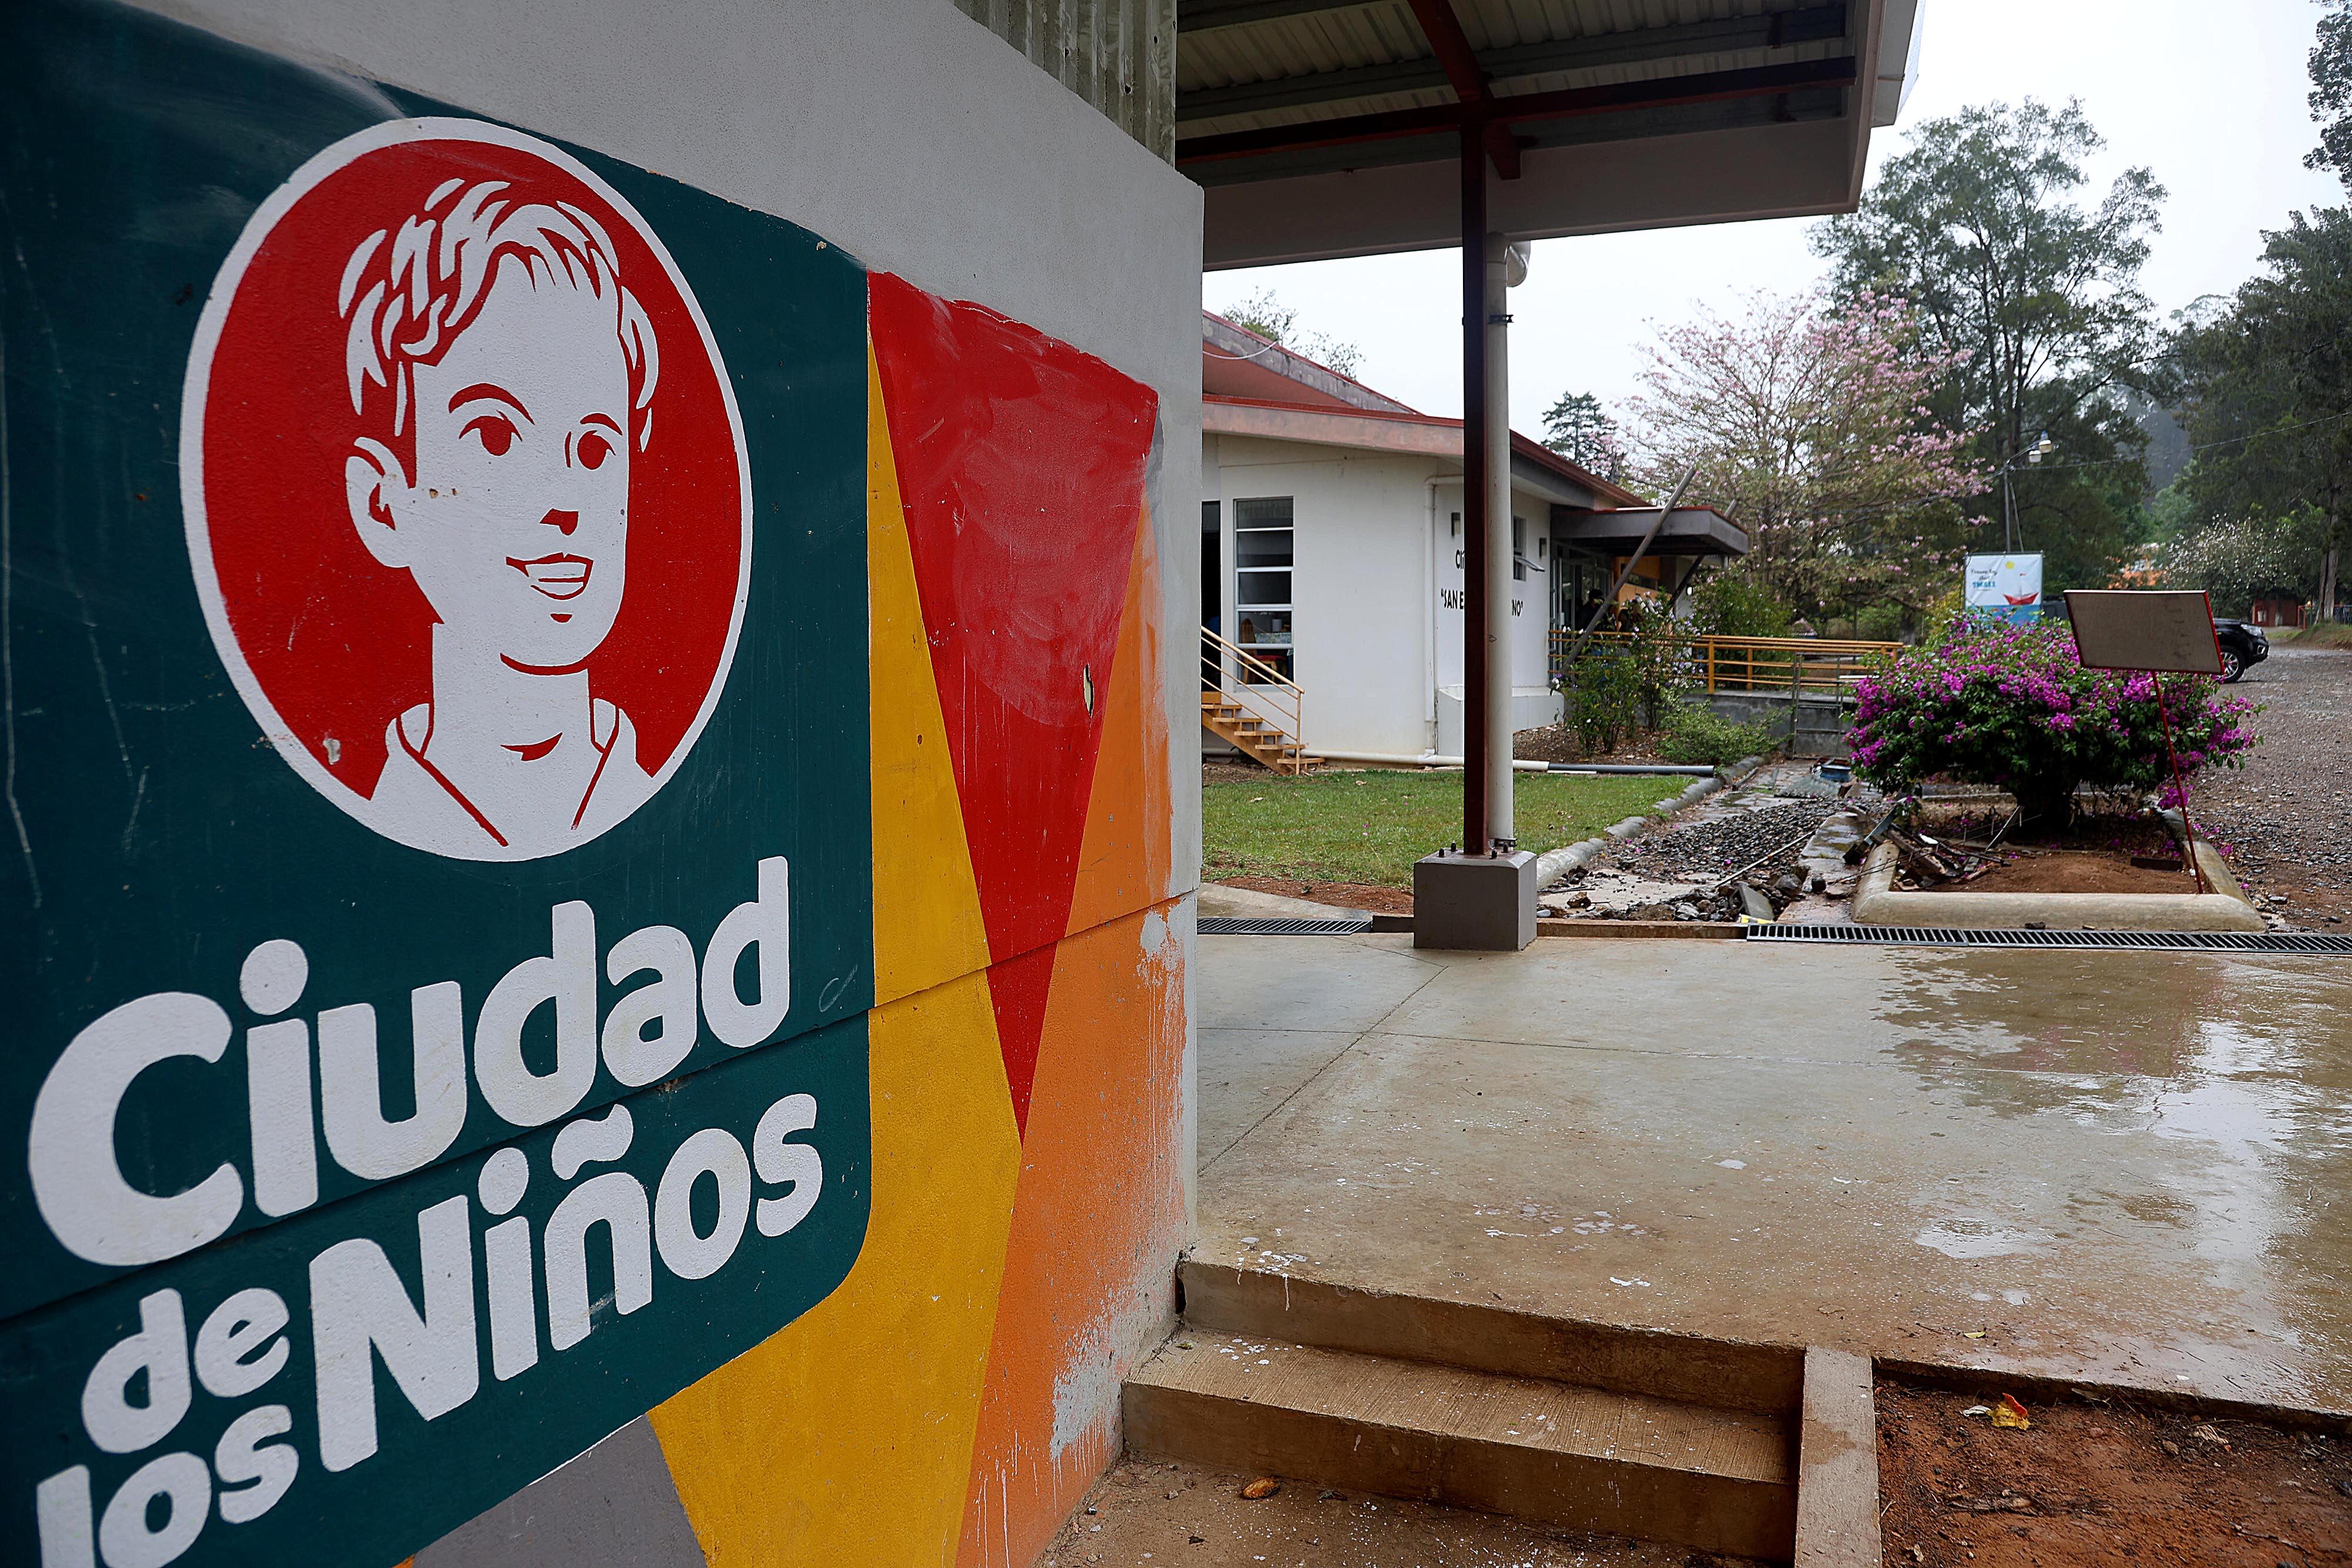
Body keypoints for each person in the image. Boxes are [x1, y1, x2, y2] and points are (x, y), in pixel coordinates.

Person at [339, 178, 661, 854]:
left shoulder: (644, 790)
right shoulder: (379, 819)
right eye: (495, 436)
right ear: (383, 504)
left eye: (598, 446)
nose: (567, 500)